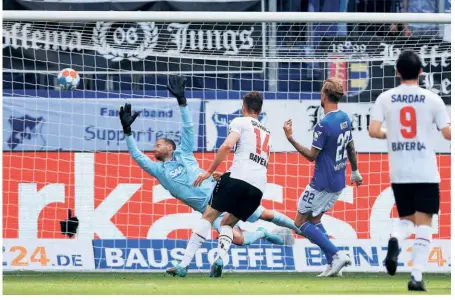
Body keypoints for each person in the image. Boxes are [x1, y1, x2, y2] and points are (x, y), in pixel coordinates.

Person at [119, 76, 298, 271]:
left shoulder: (184, 153)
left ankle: (299, 227)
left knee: (264, 213)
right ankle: (263, 233)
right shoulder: (158, 170)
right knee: (238, 239)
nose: (155, 148)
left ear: (170, 147)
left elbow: (188, 128)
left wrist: (182, 102)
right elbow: (137, 155)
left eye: (159, 145)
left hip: (219, 193)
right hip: (207, 208)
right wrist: (127, 131)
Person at [166, 90, 273, 278]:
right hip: (258, 188)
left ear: (244, 107)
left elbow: (226, 146)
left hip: (237, 179)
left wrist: (208, 171)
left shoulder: (240, 121)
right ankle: (220, 259)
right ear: (261, 109)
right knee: (227, 223)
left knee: (208, 216)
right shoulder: (267, 132)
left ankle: (183, 265)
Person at [369, 50, 451, 291]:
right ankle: (416, 277)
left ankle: (395, 239)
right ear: (421, 72)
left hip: (399, 171)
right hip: (425, 169)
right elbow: (447, 134)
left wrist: (390, 133)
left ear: (397, 72)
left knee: (406, 220)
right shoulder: (433, 99)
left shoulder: (385, 98)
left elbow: (374, 131)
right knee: (424, 223)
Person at [283, 77, 363, 277]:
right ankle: (332, 262)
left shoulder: (324, 124)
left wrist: (290, 138)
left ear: (324, 96)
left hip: (321, 183)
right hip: (338, 181)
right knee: (315, 219)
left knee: (300, 222)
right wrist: (355, 170)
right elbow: (350, 146)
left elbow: (311, 156)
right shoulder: (344, 117)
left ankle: (336, 255)